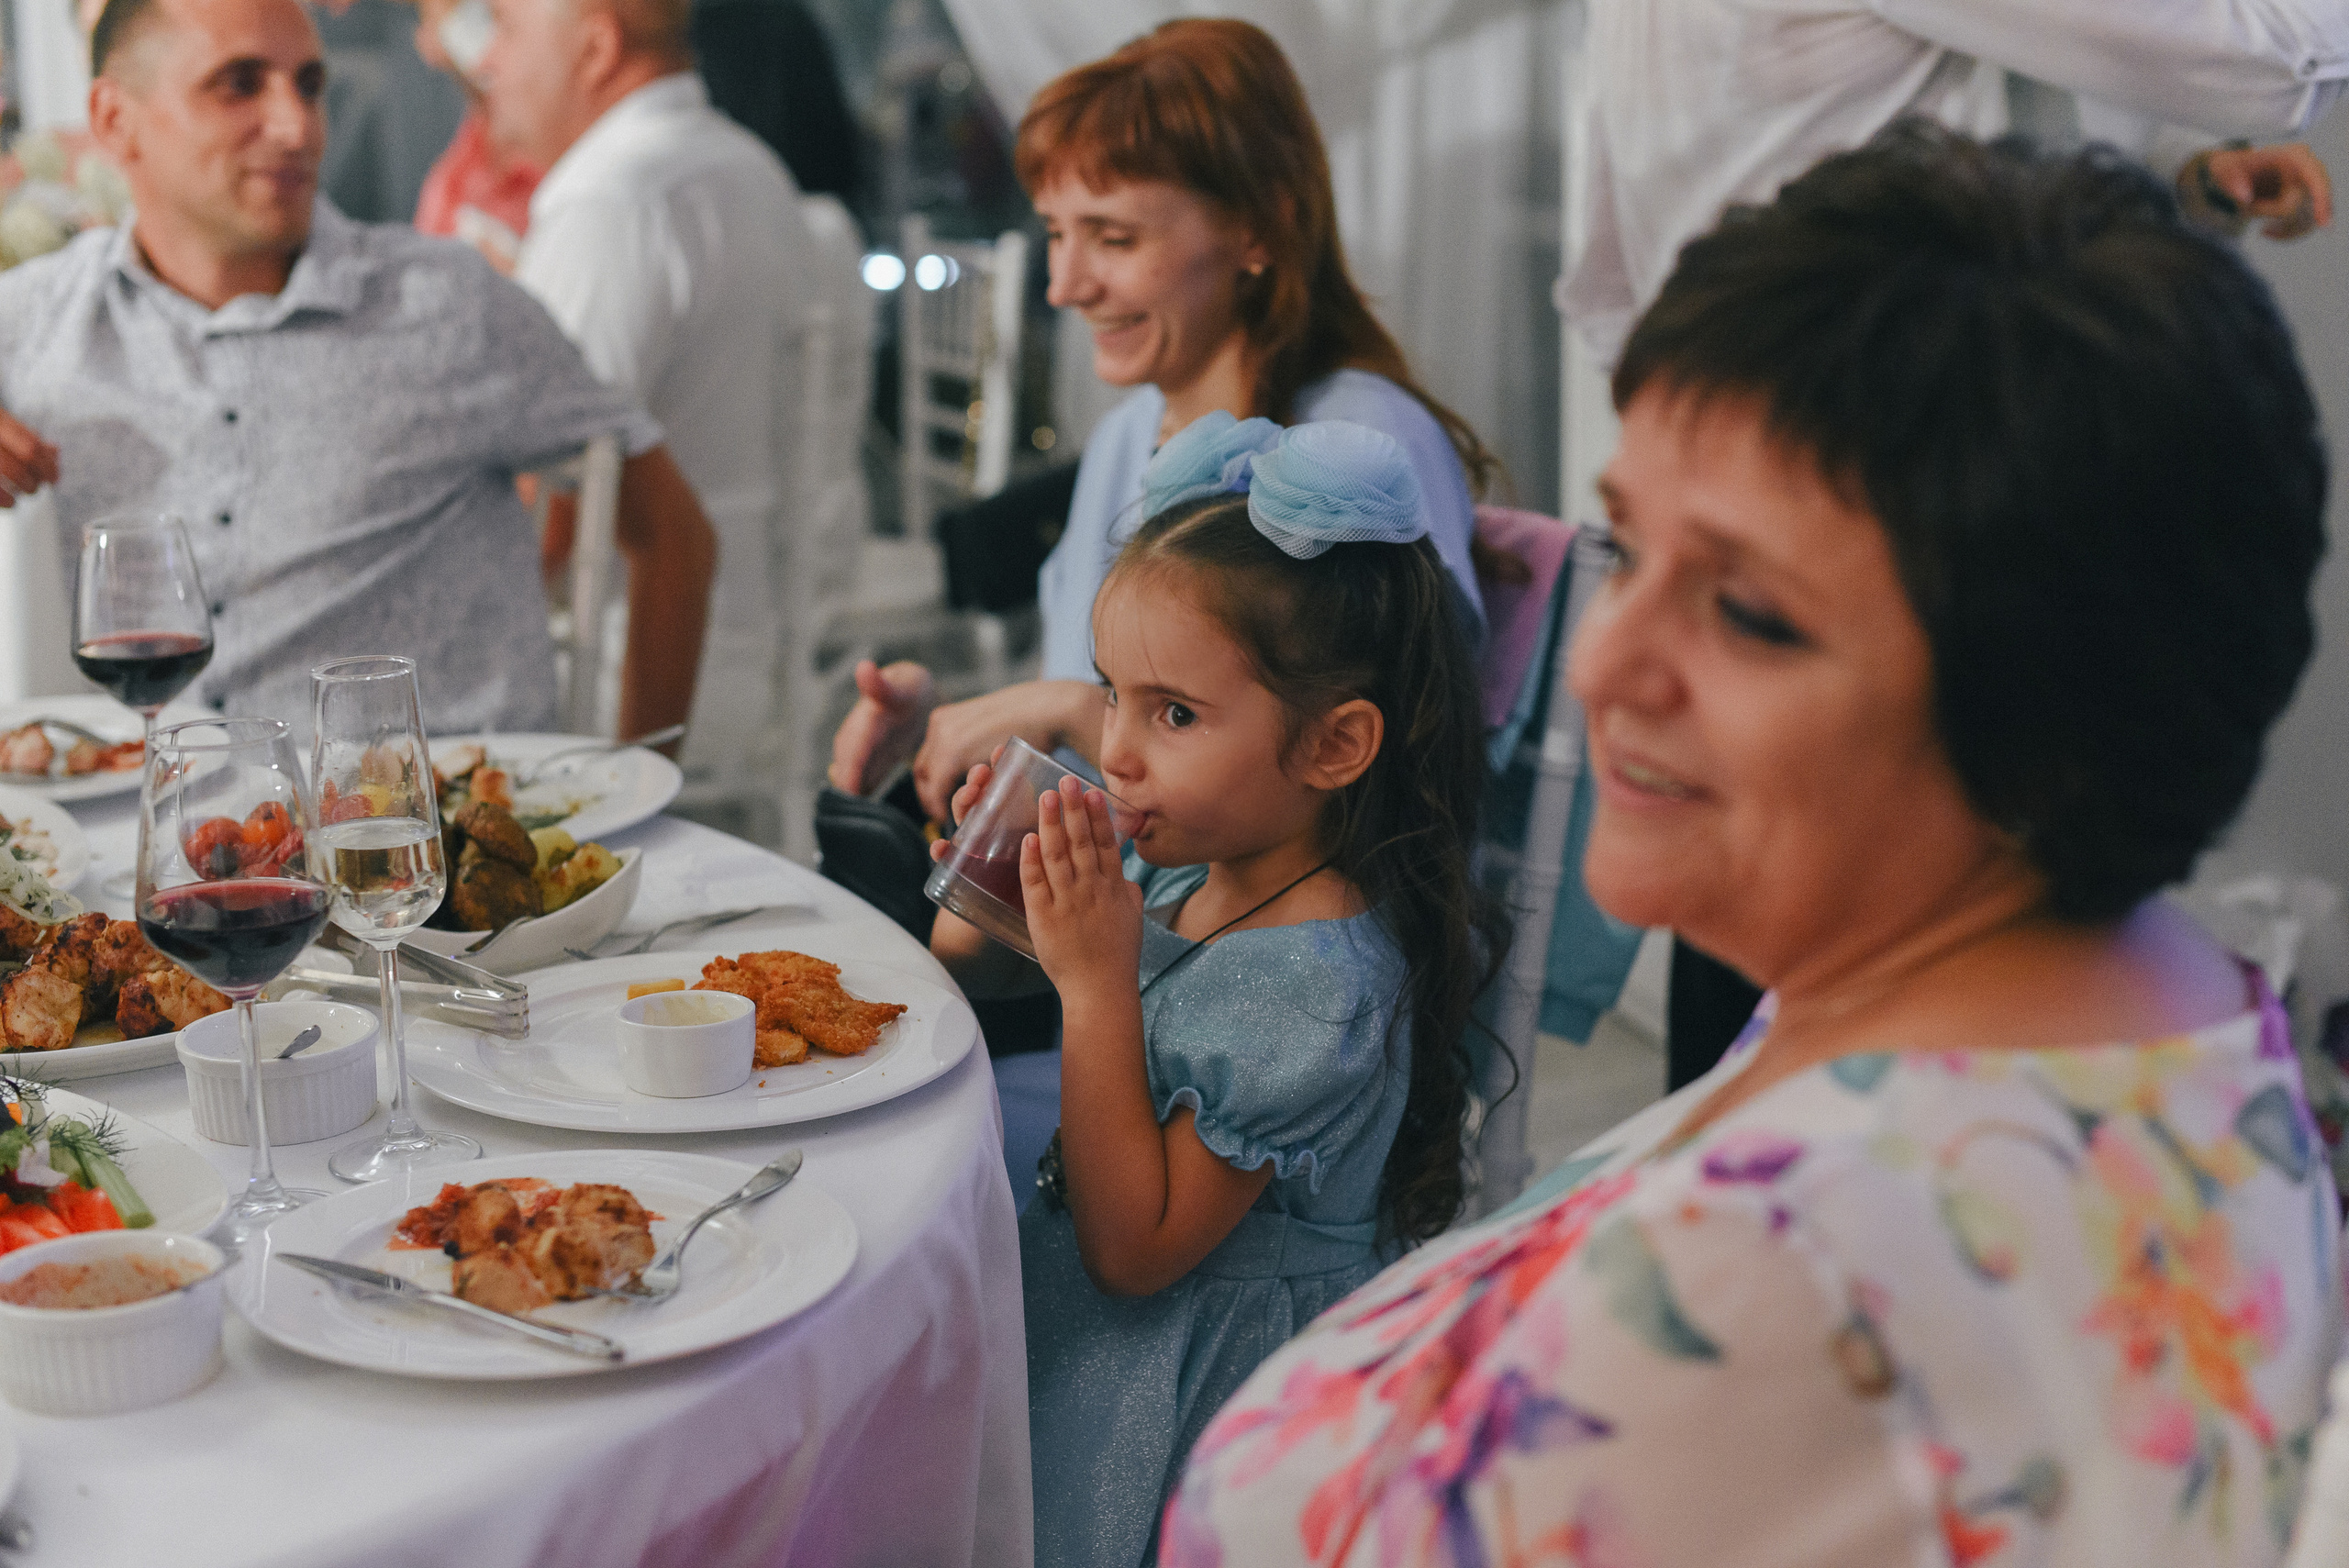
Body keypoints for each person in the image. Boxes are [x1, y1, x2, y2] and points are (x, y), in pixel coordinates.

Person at [1165, 126, 2339, 1567]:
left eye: (1752, 613)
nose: (1604, 669)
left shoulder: (1782, 1278)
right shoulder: (2169, 1012)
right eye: (1629, 551)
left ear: (2055, 705)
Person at [1565, 0, 2346, 1087]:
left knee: (1783, 955)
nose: (1592, 664)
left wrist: (2177, 175)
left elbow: (1607, 258)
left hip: (1769, 443)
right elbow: (2265, 55)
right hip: (1868, 494)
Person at [930, 417, 1505, 1568]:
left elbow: (1134, 1247)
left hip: (1196, 1391)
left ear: (1335, 745)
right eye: (1113, 695)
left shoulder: (1319, 988)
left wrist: (1093, 981)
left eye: (1174, 713)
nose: (1120, 750)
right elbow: (962, 962)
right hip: (1110, 1334)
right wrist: (1003, 871)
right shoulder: (1195, 856)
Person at [829, 18, 1491, 825]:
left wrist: (1069, 712)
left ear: (1258, 227)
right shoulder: (1126, 436)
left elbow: (1394, 784)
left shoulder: (1360, 449)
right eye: (1056, 234)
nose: (1065, 288)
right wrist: (950, 723)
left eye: (1113, 237)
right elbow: (1106, 699)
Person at [0, 0, 714, 739]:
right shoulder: (31, 326)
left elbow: (674, 535)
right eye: (239, 85)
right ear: (115, 120)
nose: (298, 127)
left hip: (424, 830)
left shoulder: (449, 304)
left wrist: (643, 783)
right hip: (142, 831)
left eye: (309, 85)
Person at [480, 0, 825, 785]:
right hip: (753, 644)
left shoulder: (610, 202)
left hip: (628, 679)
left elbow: (544, 521)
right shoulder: (753, 167)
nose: (489, 60)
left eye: (506, 26)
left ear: (595, 48)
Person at [407, 0, 539, 269]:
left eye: (504, 22)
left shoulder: (581, 157)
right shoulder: (446, 191)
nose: (487, 58)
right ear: (427, 40)